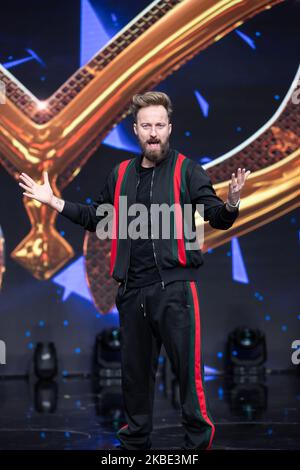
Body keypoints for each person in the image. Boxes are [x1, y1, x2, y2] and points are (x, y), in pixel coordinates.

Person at [19, 91, 250, 450]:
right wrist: (53, 201)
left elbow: (216, 216)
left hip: (174, 290)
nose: (154, 132)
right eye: (147, 126)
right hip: (131, 293)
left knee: (188, 375)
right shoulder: (121, 174)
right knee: (135, 378)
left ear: (169, 128)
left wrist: (232, 202)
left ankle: (198, 445)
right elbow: (98, 218)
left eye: (160, 125)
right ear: (136, 131)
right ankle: (134, 447)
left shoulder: (187, 170)